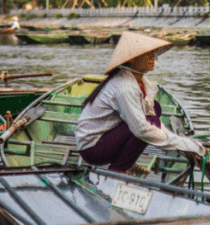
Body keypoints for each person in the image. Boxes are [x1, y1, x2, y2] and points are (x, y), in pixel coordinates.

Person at [75, 32, 207, 175]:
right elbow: (142, 129)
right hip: (92, 148)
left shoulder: (140, 81)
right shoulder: (124, 87)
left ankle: (127, 163)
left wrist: (183, 145)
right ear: (132, 59)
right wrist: (191, 146)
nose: (153, 58)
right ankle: (117, 171)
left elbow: (154, 121)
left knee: (154, 109)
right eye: (147, 54)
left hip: (106, 138)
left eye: (153, 54)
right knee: (145, 125)